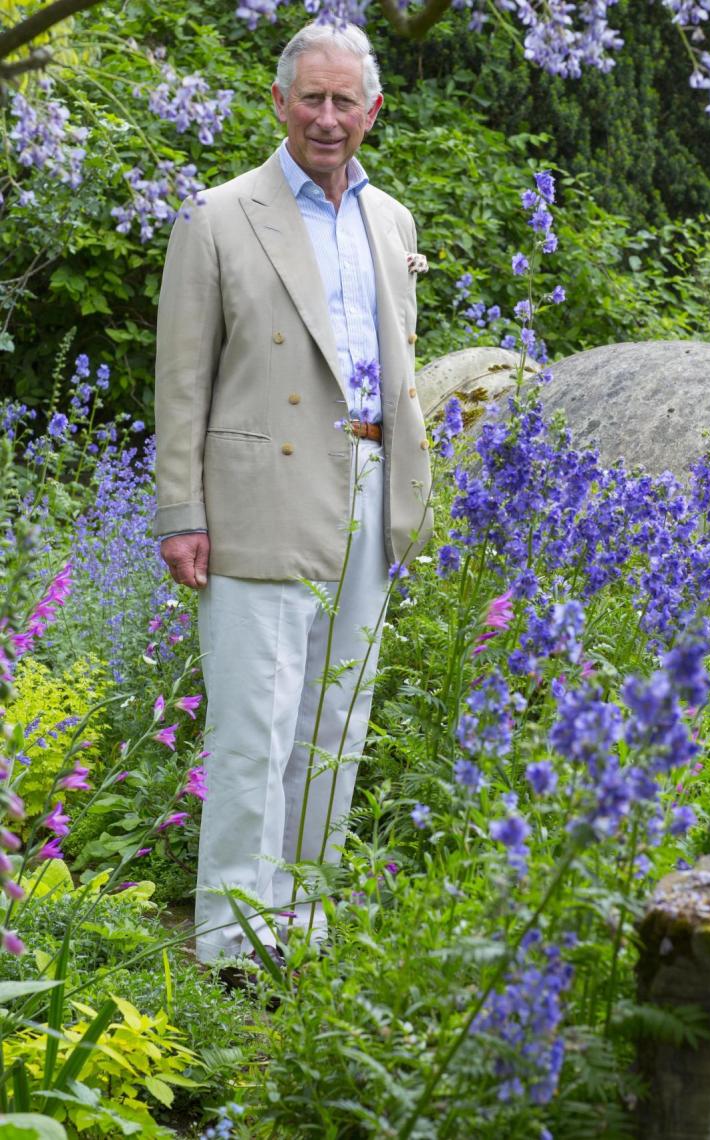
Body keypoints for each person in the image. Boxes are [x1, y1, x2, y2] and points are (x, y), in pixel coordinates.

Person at [153, 20, 433, 966]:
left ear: (372, 111)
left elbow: (395, 372)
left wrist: (407, 490)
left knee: (334, 725)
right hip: (256, 492)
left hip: (370, 483)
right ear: (278, 102)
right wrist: (180, 514)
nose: (325, 117)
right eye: (308, 98)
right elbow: (181, 381)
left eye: (342, 100)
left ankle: (300, 925)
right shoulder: (218, 215)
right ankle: (233, 947)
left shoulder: (390, 221)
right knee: (254, 727)